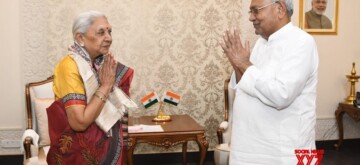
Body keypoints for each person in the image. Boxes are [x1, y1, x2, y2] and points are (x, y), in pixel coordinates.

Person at [219, 0, 319, 164]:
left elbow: (281, 95)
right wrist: (237, 65)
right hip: (249, 148)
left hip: (281, 152)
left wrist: (244, 63)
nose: (251, 17)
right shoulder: (262, 42)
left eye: (255, 10)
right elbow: (249, 85)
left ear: (280, 9)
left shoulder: (301, 42)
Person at [46, 10, 134, 165]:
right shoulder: (69, 66)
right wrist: (106, 85)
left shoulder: (99, 64)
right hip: (77, 153)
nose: (109, 38)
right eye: (101, 33)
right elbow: (79, 123)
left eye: (109, 31)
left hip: (98, 150)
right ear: (80, 38)